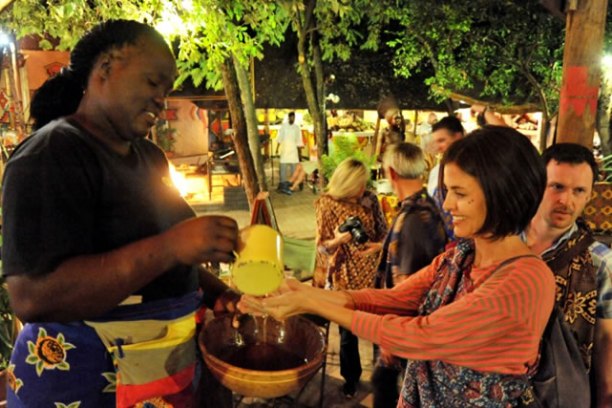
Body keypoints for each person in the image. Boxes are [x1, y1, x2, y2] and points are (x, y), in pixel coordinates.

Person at [2, 20, 240, 407]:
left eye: (166, 90)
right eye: (152, 82)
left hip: (161, 374)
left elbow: (176, 258)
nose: (161, 99)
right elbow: (32, 297)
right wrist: (173, 247)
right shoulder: (51, 154)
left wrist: (222, 294)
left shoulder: (150, 158)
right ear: (106, 68)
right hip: (84, 385)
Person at [241, 126, 556, 407]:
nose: (447, 205)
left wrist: (311, 302)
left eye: (460, 194)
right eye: (448, 192)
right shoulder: (460, 257)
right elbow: (391, 299)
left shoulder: (527, 279)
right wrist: (300, 292)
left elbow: (421, 336)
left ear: (502, 196)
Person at [522, 143, 612, 407]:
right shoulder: (501, 244)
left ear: (589, 196)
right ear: (537, 183)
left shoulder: (599, 263)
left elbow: (607, 345)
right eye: (557, 187)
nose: (566, 201)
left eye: (579, 191)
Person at [371, 142, 447, 408]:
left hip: (408, 329)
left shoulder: (413, 218)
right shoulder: (426, 205)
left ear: (391, 173)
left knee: (386, 385)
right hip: (417, 326)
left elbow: (407, 284)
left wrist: (391, 339)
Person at [313, 157, 388, 398]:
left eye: (364, 183)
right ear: (346, 183)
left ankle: (382, 378)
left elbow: (384, 233)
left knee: (379, 329)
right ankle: (351, 379)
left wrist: (377, 245)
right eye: (358, 184)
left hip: (373, 273)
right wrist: (339, 240)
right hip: (343, 276)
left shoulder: (370, 199)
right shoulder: (326, 203)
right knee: (347, 334)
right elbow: (322, 247)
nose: (362, 189)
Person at [427, 116, 465, 243]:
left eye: (442, 140)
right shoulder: (435, 172)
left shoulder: (477, 170)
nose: (438, 147)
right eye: (436, 142)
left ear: (458, 137)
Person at [275, 111, 303, 191]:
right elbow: (280, 138)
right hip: (285, 149)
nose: (292, 119)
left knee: (294, 169)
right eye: (291, 117)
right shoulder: (284, 126)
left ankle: (292, 185)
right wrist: (277, 149)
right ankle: (283, 184)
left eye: (294, 118)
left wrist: (299, 152)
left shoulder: (297, 127)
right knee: (283, 167)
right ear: (288, 118)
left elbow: (299, 140)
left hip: (293, 150)